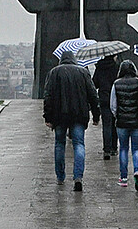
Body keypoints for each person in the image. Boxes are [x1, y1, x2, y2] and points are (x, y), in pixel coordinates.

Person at [43, 51, 100, 192]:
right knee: (79, 144)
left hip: (59, 115)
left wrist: (48, 117)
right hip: (79, 114)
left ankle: (60, 176)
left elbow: (48, 95)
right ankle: (78, 177)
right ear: (74, 59)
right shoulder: (83, 72)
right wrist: (96, 115)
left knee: (59, 144)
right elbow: (93, 94)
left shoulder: (54, 72)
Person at [110, 60, 138, 191]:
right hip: (137, 121)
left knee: (123, 149)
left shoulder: (116, 83)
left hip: (122, 122)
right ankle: (137, 171)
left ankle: (124, 178)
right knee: (137, 149)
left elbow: (113, 105)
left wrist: (118, 115)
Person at [92, 55, 119, 159]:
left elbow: (95, 84)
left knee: (106, 125)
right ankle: (114, 148)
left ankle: (106, 150)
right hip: (115, 98)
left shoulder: (99, 68)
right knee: (115, 123)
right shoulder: (116, 67)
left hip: (104, 99)